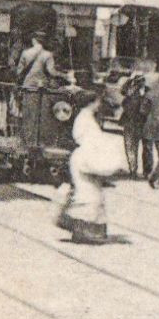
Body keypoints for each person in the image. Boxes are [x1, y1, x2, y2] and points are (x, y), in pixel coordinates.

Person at [58, 89, 115, 244]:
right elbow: (89, 139)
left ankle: (82, 230)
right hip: (85, 157)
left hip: (85, 156)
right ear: (92, 102)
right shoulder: (85, 118)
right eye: (97, 101)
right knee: (89, 196)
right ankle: (83, 232)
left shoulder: (85, 116)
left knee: (90, 194)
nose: (99, 104)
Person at [119, 75, 153, 180]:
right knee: (132, 148)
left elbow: (146, 109)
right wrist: (130, 80)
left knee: (143, 148)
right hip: (132, 123)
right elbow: (123, 91)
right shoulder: (130, 91)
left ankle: (143, 171)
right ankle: (134, 170)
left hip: (141, 124)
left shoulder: (146, 92)